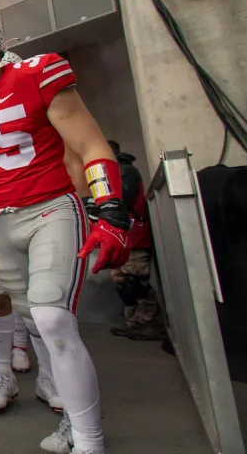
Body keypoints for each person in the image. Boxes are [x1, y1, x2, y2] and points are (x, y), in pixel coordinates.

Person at [0, 9, 135, 454]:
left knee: (53, 318)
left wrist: (111, 210)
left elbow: (90, 144)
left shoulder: (38, 72)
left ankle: (89, 440)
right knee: (36, 323)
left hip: (50, 208)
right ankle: (72, 419)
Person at [106, 140, 163, 341]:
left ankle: (151, 321)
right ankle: (134, 323)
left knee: (135, 281)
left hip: (133, 237)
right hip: (121, 238)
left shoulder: (125, 171)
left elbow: (120, 200)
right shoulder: (113, 173)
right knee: (123, 283)